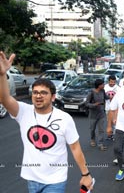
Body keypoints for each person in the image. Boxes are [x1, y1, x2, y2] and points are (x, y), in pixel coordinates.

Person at [0, 52, 93, 192]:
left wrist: (85, 174)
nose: (38, 96)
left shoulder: (64, 118)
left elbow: (75, 148)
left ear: (53, 97)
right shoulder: (23, 112)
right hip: (32, 178)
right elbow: (4, 98)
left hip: (55, 180)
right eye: (35, 92)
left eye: (43, 93)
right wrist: (2, 75)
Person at [86, 78, 109, 150]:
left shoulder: (103, 91)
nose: (104, 85)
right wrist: (94, 105)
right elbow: (86, 103)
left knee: (101, 130)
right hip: (93, 114)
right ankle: (92, 139)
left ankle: (100, 144)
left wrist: (111, 97)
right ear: (99, 85)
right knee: (92, 129)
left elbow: (106, 97)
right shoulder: (91, 93)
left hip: (101, 113)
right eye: (102, 84)